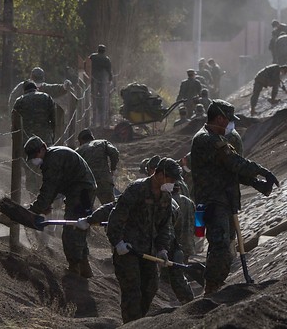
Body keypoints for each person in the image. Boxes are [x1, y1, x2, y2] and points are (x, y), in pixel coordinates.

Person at [191, 100, 279, 295]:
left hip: (225, 199)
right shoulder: (206, 139)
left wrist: (256, 182)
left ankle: (215, 285)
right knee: (220, 244)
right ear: (220, 118)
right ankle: (211, 289)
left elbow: (231, 171)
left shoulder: (216, 138)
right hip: (213, 201)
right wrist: (262, 171)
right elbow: (233, 162)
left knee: (227, 245)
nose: (230, 125)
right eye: (229, 120)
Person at [106, 157, 180, 323]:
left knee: (150, 288)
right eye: (171, 179)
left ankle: (137, 322)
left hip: (149, 251)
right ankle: (131, 324)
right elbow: (116, 217)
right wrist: (117, 242)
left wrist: (162, 249)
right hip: (128, 250)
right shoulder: (137, 189)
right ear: (159, 175)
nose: (172, 183)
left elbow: (164, 227)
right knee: (132, 293)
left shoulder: (166, 198)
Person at [24, 136, 97, 278]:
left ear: (43, 148)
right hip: (83, 189)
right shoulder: (54, 155)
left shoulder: (52, 160)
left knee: (72, 227)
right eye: (32, 157)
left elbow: (49, 188)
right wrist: (45, 204)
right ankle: (84, 267)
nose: (35, 160)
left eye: (35, 155)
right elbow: (55, 187)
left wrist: (35, 208)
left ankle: (75, 268)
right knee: (79, 226)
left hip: (81, 191)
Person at [13, 81, 56, 195]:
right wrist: (53, 136)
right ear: (36, 88)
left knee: (31, 170)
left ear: (24, 90)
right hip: (45, 141)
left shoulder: (20, 101)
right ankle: (47, 196)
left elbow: (15, 125)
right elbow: (54, 120)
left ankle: (34, 197)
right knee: (47, 167)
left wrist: (16, 146)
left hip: (28, 142)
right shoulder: (47, 98)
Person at [75, 128, 119, 206]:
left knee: (85, 210)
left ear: (81, 140)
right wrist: (113, 168)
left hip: (88, 183)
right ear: (92, 137)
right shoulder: (102, 142)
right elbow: (114, 152)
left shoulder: (78, 150)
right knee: (110, 207)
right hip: (104, 180)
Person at [85, 44, 113, 127]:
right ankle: (102, 123)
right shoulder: (106, 59)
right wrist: (110, 80)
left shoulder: (93, 57)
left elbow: (86, 63)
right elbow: (109, 71)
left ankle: (93, 121)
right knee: (103, 100)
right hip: (103, 82)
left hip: (94, 81)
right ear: (104, 51)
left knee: (94, 99)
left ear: (98, 50)